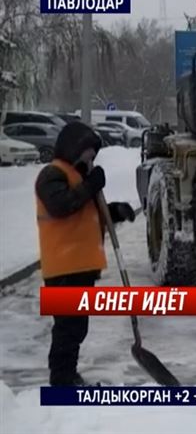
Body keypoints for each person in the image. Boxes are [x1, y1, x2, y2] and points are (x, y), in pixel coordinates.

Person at [36, 121, 136, 387]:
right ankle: (61, 379)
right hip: (63, 266)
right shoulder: (52, 174)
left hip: (79, 266)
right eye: (87, 153)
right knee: (68, 328)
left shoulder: (79, 177)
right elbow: (61, 205)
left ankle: (68, 375)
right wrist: (90, 185)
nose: (90, 159)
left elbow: (89, 214)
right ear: (73, 148)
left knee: (77, 327)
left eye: (93, 155)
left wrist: (116, 211)